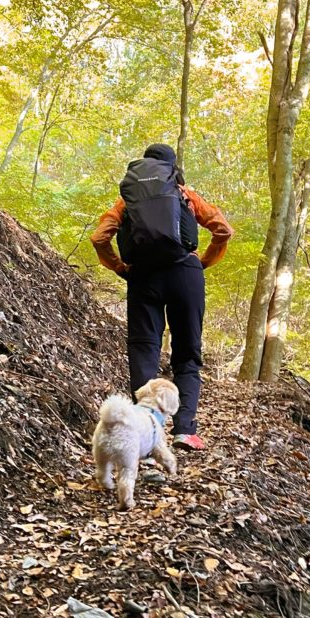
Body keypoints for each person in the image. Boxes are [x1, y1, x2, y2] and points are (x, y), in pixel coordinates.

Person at [90, 143, 233, 451]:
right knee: (187, 354)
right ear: (172, 167)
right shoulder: (185, 195)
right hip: (185, 274)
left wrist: (120, 267)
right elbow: (223, 230)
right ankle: (185, 430)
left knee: (144, 349)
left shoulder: (127, 201)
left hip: (143, 277)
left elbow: (99, 237)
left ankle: (144, 432)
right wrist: (203, 261)